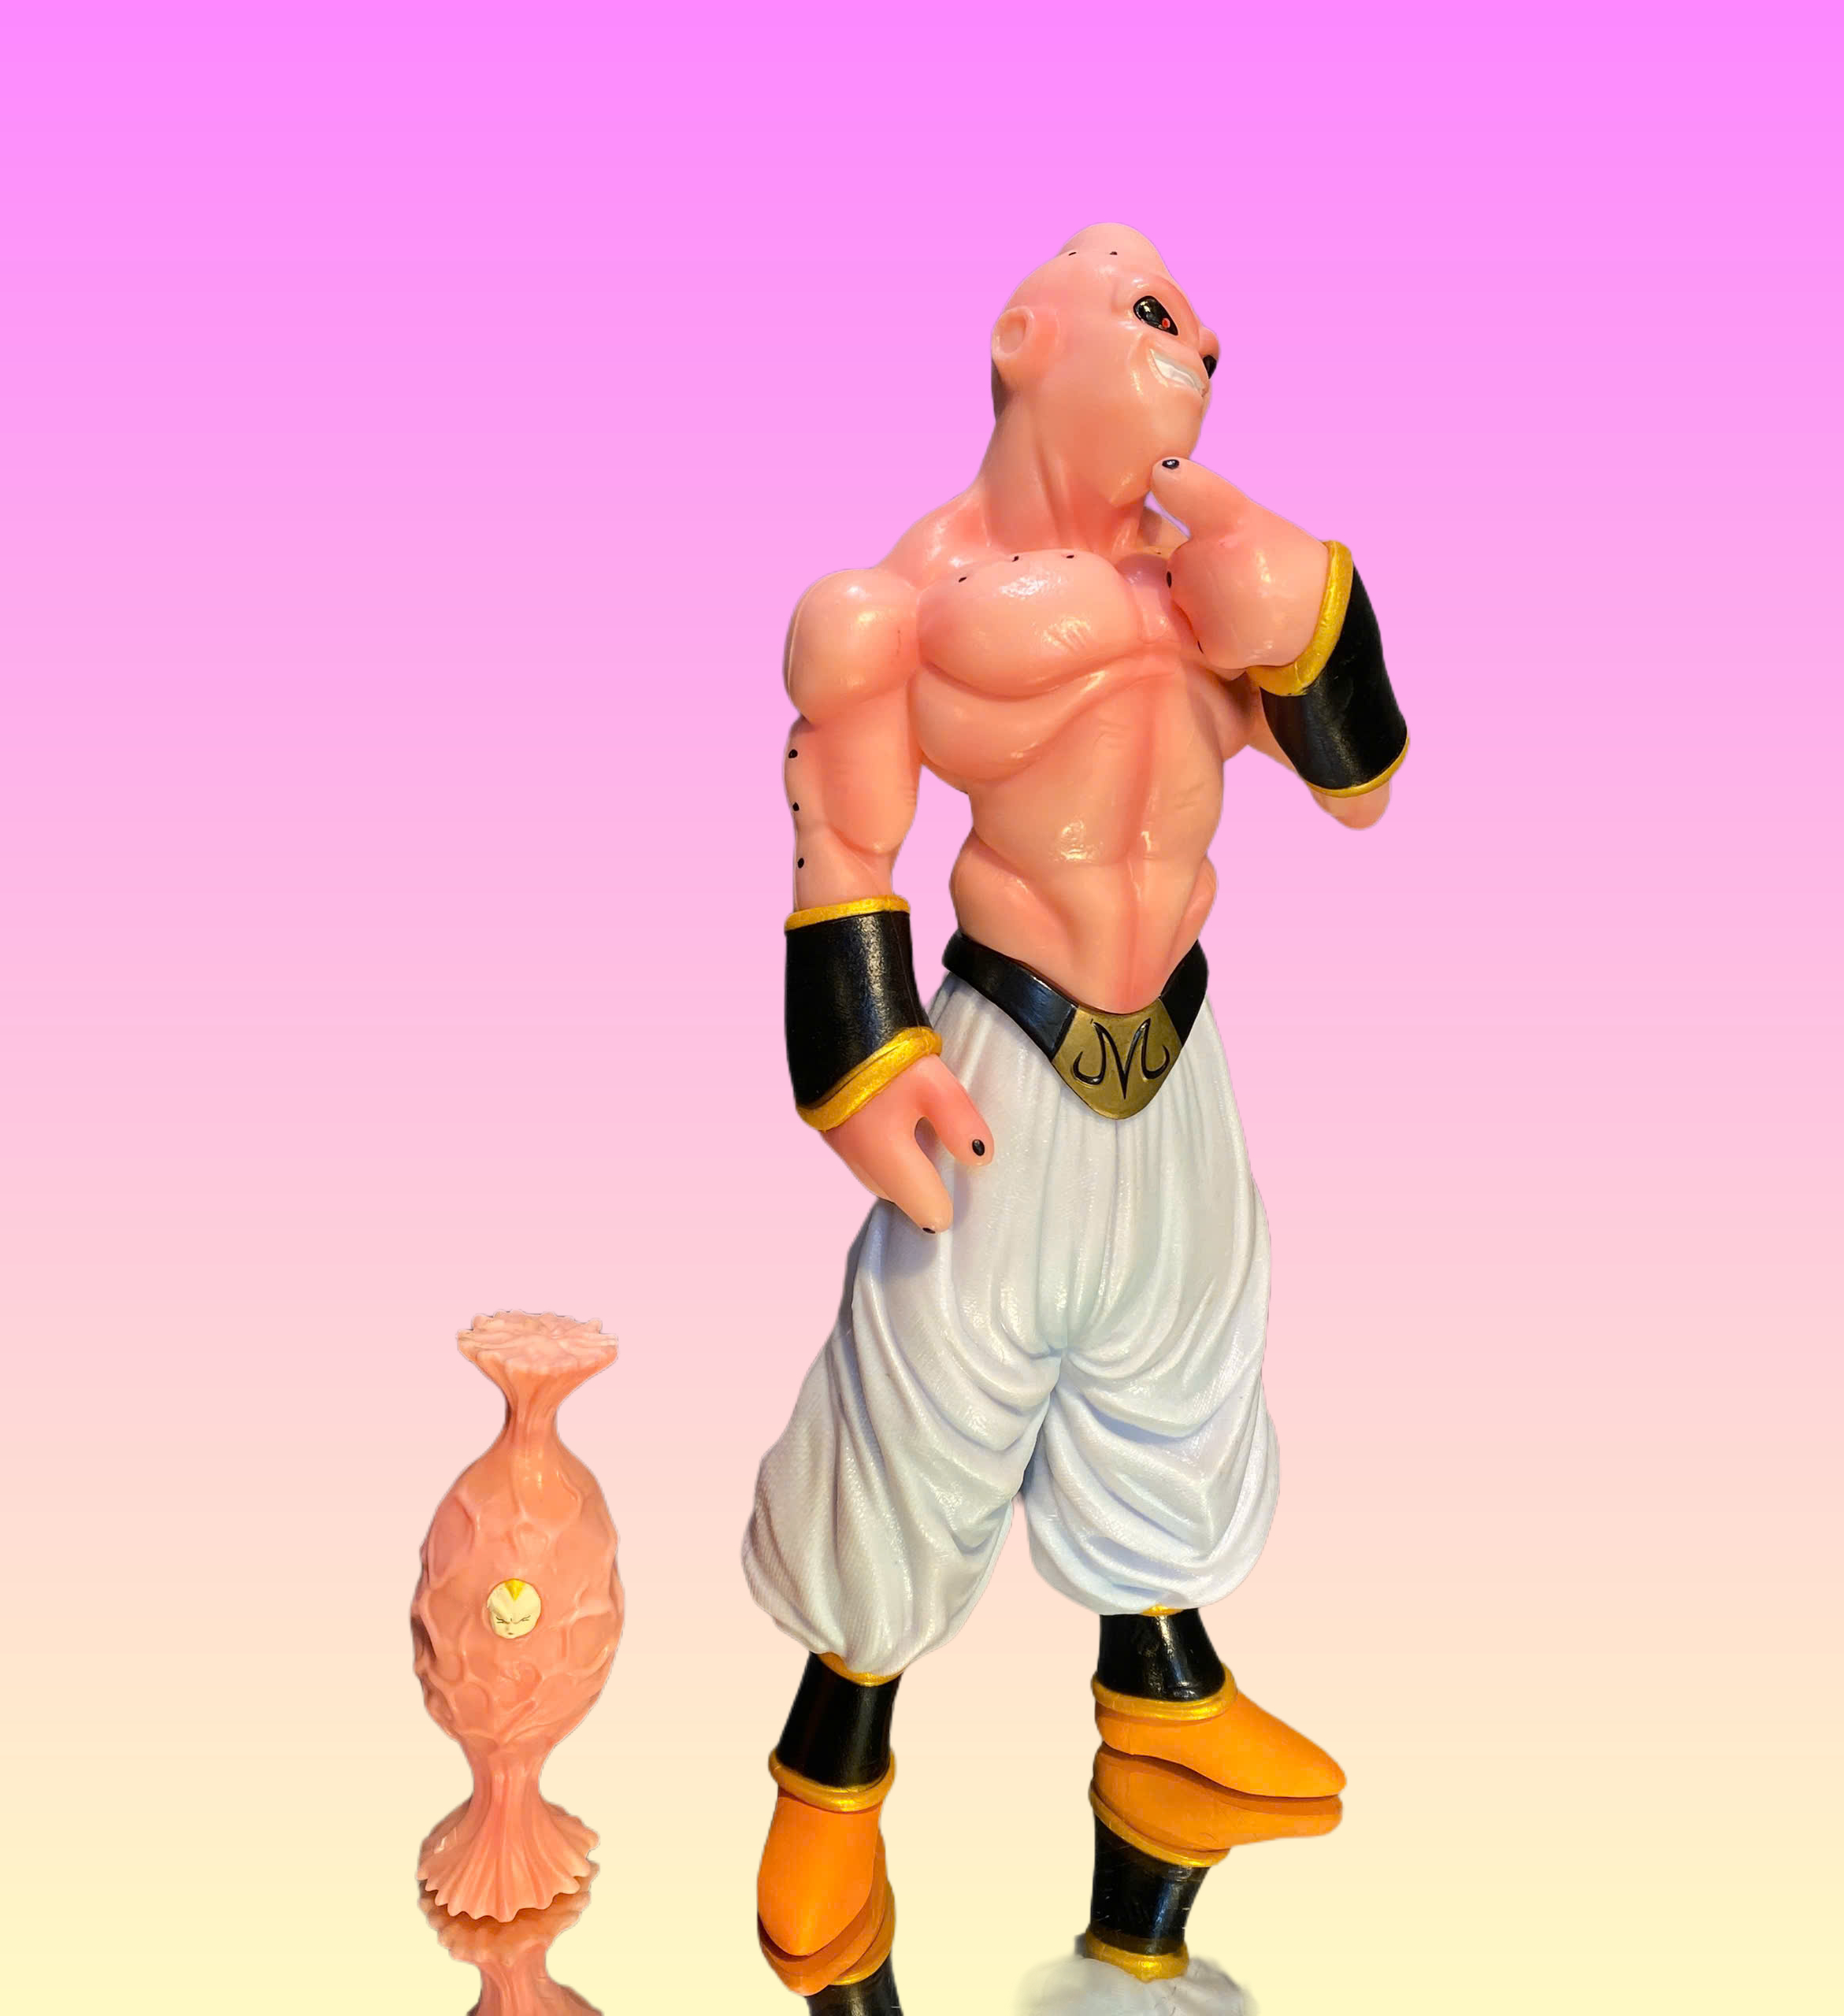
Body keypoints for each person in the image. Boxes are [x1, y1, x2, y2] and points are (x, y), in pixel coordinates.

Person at [742, 224, 1408, 2012]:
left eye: (1204, 335)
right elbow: (841, 835)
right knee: (917, 1427)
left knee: (1177, 1410)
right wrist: (864, 1061)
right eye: (1154, 316)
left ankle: (1160, 1761)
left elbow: (1361, 782)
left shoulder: (1209, 589)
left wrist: (1314, 612)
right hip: (1005, 1061)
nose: (1200, 351)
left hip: (1174, 1061)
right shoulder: (904, 605)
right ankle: (828, 1783)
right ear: (1024, 338)